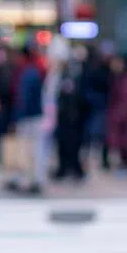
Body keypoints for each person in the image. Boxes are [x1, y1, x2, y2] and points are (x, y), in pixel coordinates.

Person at [7, 44, 47, 195]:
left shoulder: (27, 73)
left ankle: (27, 179)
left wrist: (16, 117)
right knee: (35, 149)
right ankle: (33, 179)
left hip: (28, 117)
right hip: (35, 115)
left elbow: (23, 98)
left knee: (26, 149)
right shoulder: (36, 70)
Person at [53, 43, 88, 182]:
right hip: (64, 116)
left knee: (72, 145)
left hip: (72, 116)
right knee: (63, 144)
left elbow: (76, 95)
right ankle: (64, 168)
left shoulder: (74, 73)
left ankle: (74, 169)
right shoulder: (60, 74)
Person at [107, 51, 127, 173]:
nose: (114, 65)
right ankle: (123, 163)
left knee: (126, 141)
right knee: (119, 141)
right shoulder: (115, 78)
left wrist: (121, 114)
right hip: (118, 115)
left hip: (124, 115)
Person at [82, 44, 111, 171]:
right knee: (94, 133)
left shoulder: (100, 68)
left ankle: (101, 160)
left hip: (98, 105)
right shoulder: (91, 67)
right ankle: (96, 159)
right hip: (93, 105)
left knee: (100, 133)